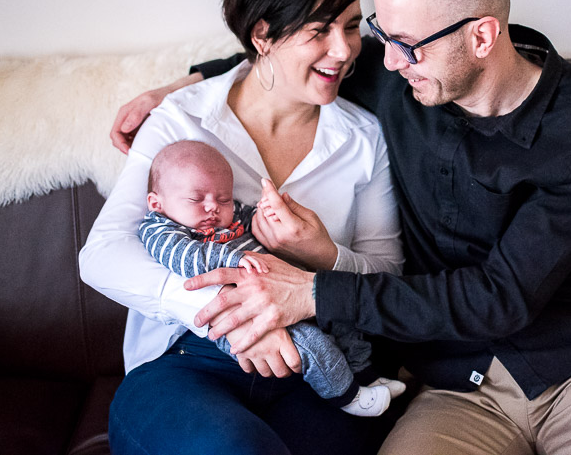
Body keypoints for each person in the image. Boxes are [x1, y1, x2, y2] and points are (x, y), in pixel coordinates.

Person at [112, 0, 571, 455]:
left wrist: (313, 291)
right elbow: (286, 52)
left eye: (402, 42)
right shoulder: (405, 72)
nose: (377, 60)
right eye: (378, 32)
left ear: (482, 37)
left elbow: (501, 297)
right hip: (456, 384)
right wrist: (183, 83)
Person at [80, 0, 405, 455]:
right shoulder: (183, 120)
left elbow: (387, 277)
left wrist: (323, 255)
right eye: (320, 30)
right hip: (186, 363)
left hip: (319, 369)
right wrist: (232, 314)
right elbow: (101, 255)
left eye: (350, 27)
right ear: (262, 35)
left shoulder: (363, 139)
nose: (344, 51)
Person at [140, 139, 404, 416]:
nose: (213, 208)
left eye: (223, 198)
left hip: (287, 292)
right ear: (156, 202)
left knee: (339, 313)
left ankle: (366, 374)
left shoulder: (231, 218)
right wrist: (234, 259)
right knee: (313, 344)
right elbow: (184, 257)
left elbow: (250, 216)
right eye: (196, 199)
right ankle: (348, 396)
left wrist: (270, 215)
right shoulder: (161, 229)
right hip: (247, 315)